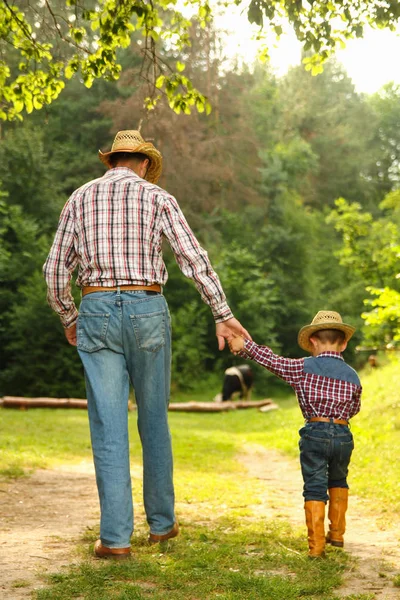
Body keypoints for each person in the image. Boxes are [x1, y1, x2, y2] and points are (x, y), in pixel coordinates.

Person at [43, 129, 251, 559]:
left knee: (108, 426)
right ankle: (161, 526)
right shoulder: (158, 198)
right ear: (142, 163)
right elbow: (195, 260)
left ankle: (116, 540)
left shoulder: (79, 199)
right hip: (148, 307)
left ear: (113, 160)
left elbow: (52, 272)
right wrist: (222, 314)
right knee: (154, 419)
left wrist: (69, 317)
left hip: (95, 310)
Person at [229, 310, 361, 559]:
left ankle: (317, 547)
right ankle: (338, 534)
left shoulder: (303, 367)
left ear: (312, 341)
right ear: (343, 343)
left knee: (314, 487)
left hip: (315, 432)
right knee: (338, 480)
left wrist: (245, 345)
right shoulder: (353, 375)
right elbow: (355, 407)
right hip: (344, 435)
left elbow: (272, 361)